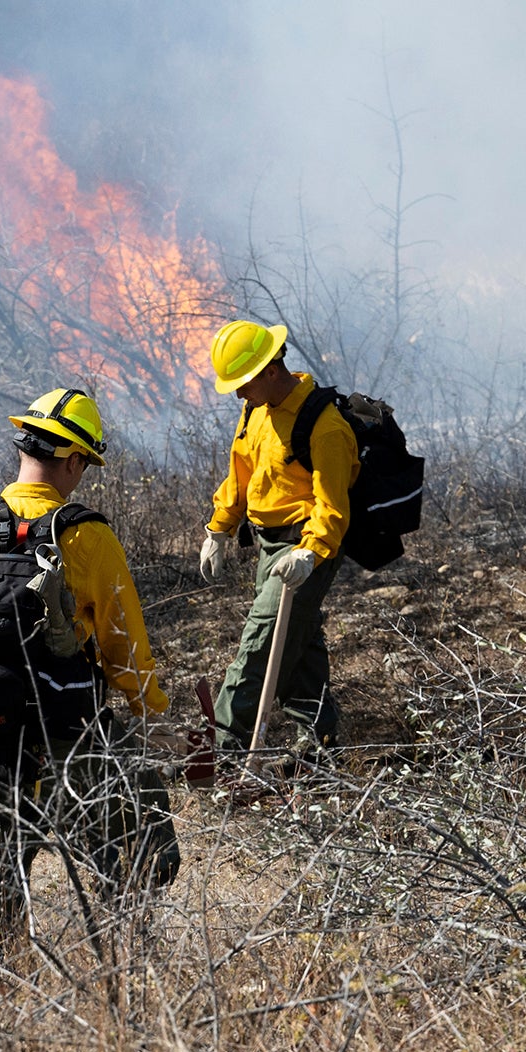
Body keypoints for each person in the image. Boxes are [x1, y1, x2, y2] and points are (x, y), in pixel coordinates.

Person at [0, 384, 185, 942]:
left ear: (23, 447)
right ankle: (127, 968)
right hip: (68, 733)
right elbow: (121, 639)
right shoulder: (87, 535)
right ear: (74, 459)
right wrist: (150, 711)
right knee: (140, 850)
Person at [199, 319, 357, 760]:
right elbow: (241, 475)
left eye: (242, 382)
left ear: (271, 369)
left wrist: (309, 552)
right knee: (298, 641)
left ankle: (221, 746)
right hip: (268, 546)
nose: (236, 393)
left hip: (308, 546)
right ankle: (321, 743)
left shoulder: (324, 427)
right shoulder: (255, 410)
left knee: (261, 641)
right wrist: (219, 527)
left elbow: (332, 508)